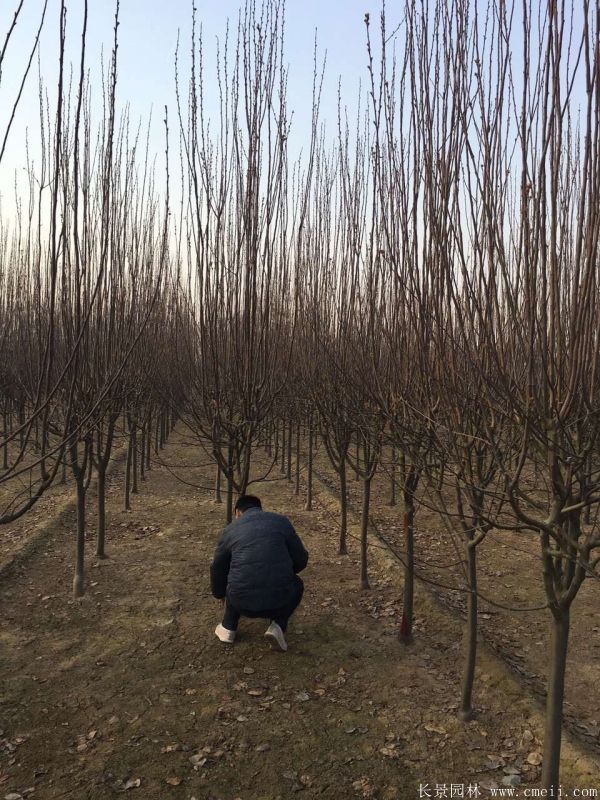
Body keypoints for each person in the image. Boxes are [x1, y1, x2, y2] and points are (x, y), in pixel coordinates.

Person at [210, 494, 308, 651]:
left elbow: (218, 567)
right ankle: (278, 626)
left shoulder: (230, 530)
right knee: (297, 584)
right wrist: (285, 572)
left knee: (235, 578)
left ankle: (228, 628)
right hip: (279, 600)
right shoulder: (281, 522)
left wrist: (219, 594)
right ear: (260, 509)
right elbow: (301, 559)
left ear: (237, 512)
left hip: (241, 602)